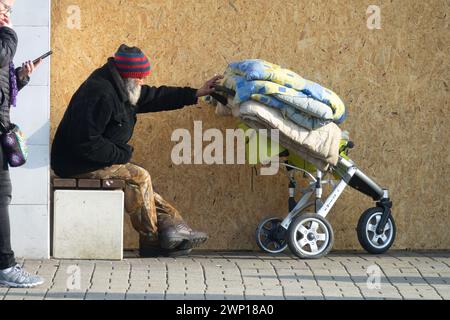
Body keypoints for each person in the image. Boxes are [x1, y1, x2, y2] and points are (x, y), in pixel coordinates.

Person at [51, 44, 222, 257]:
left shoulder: (122, 87)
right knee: (139, 178)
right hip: (76, 163)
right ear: (129, 77)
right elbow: (84, 142)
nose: (143, 82)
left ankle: (174, 228)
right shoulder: (100, 93)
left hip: (96, 158)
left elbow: (155, 96)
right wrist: (121, 155)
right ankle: (151, 241)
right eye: (140, 78)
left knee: (143, 187)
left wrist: (195, 93)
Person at [0, 0, 44, 288]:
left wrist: (22, 77)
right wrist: (10, 34)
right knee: (1, 195)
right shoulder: (5, 38)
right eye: (3, 6)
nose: (6, 13)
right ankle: (5, 266)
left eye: (10, 9)